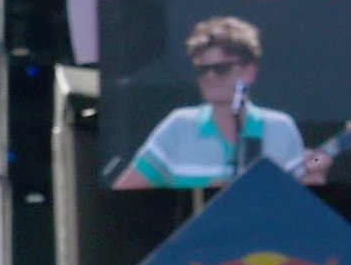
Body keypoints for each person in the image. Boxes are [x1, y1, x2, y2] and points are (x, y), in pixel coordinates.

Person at [124, 14, 336, 189]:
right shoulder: (178, 125)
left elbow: (296, 197)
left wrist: (315, 178)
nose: (210, 77)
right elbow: (123, 194)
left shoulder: (280, 128)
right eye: (202, 70)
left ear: (250, 72)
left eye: (221, 69)